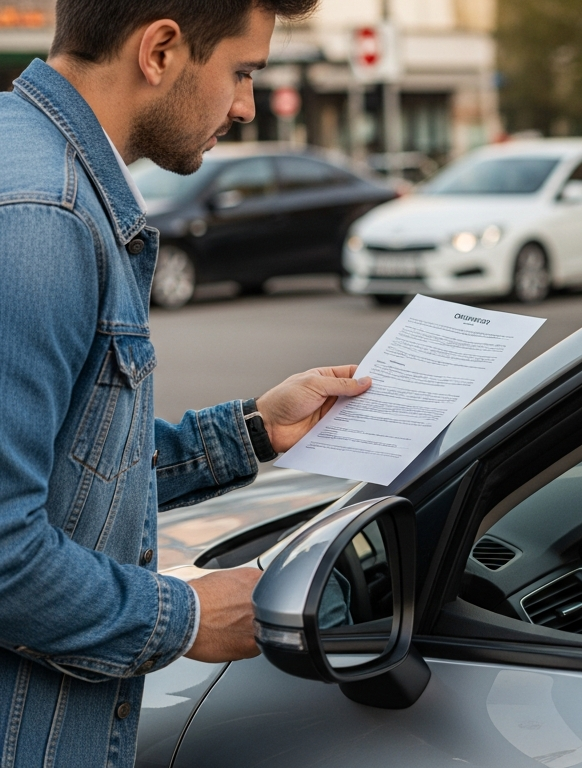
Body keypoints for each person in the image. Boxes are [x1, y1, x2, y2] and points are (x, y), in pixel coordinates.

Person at [0, 1, 378, 766]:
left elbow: (69, 471)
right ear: (162, 50)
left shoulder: (31, 163)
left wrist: (250, 432)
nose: (245, 105)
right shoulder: (45, 218)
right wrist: (186, 618)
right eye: (241, 72)